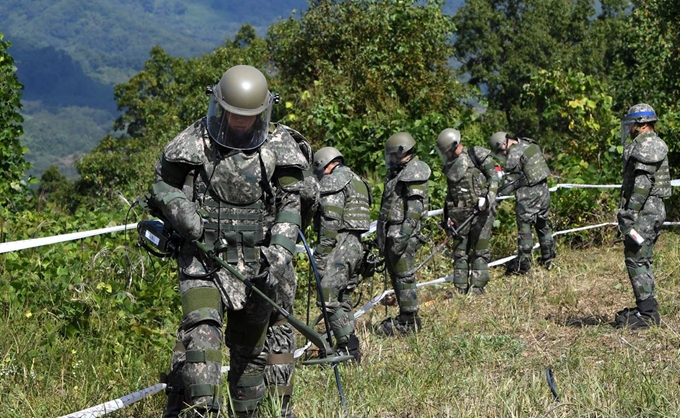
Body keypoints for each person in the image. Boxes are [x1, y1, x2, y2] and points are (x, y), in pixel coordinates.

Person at [151, 65, 308, 418]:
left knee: (249, 352)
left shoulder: (280, 146)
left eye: (248, 116)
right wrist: (180, 210)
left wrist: (280, 251)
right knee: (201, 334)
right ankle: (200, 409)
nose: (240, 122)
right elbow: (162, 184)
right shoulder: (194, 141)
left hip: (260, 265)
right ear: (220, 105)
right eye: (234, 114)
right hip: (202, 260)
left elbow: (291, 202)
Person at [311, 146, 372, 362]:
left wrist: (320, 256)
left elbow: (330, 221)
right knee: (343, 296)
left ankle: (349, 346)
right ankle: (347, 344)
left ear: (322, 164)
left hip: (341, 243)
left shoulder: (334, 181)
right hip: (357, 244)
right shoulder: (358, 180)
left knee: (326, 297)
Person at [614, 103, 670, 329]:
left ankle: (647, 314)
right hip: (654, 209)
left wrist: (629, 214)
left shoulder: (646, 146)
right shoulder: (655, 143)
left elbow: (642, 184)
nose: (628, 130)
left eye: (631, 125)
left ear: (641, 125)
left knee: (635, 259)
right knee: (642, 257)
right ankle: (647, 308)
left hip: (645, 210)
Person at [376, 132, 431, 336]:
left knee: (404, 277)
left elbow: (415, 210)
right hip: (393, 232)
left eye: (391, 155)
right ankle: (405, 317)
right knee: (397, 276)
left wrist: (403, 236)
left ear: (402, 152)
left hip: (402, 234)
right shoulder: (399, 171)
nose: (389, 159)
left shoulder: (414, 171)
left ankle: (409, 321)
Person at [437, 128, 499, 295]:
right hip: (459, 213)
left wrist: (487, 197)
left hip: (482, 212)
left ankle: (477, 289)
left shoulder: (476, 154)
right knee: (459, 253)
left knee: (480, 251)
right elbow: (450, 193)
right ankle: (460, 290)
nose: (447, 155)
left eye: (448, 151)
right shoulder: (449, 165)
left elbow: (494, 177)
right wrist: (446, 217)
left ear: (455, 145)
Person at [488, 131, 556, 275]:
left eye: (501, 151)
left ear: (505, 144)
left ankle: (524, 265)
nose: (503, 155)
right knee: (542, 225)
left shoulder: (514, 155)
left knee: (525, 230)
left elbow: (510, 183)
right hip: (544, 190)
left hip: (528, 195)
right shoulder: (529, 144)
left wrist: (494, 196)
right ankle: (548, 258)